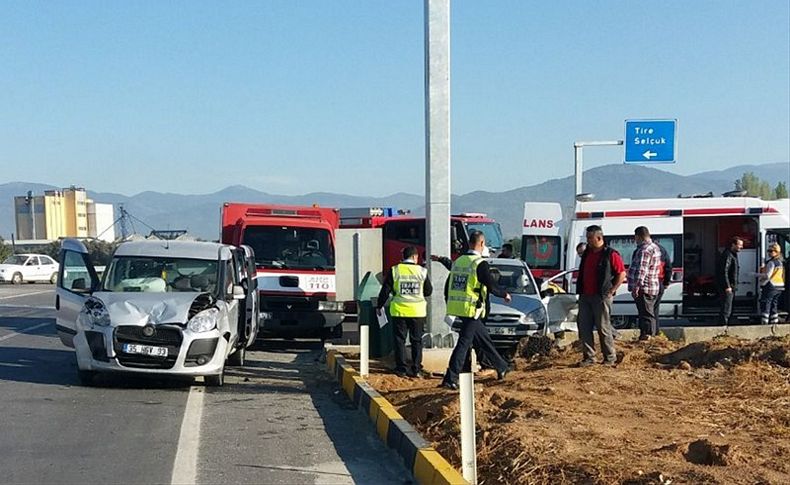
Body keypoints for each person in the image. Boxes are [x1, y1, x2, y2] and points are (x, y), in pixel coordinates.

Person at [440, 231, 511, 390]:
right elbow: (491, 286)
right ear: (481, 243)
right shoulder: (479, 264)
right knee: (464, 343)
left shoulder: (459, 261)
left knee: (483, 339)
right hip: (473, 309)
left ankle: (501, 366)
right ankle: (450, 377)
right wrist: (504, 294)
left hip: (459, 307)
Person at [376, 246, 433, 378]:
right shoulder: (422, 271)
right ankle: (416, 368)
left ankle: (401, 368)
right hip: (417, 312)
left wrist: (380, 305)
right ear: (415, 257)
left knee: (399, 340)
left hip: (399, 311)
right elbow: (428, 291)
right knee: (416, 340)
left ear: (403, 257)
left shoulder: (395, 270)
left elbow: (385, 290)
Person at [576, 225, 626, 366]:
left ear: (598, 237)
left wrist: (612, 290)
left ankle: (610, 357)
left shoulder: (611, 254)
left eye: (590, 238)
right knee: (584, 327)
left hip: (601, 296)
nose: (588, 241)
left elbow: (621, 273)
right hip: (585, 296)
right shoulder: (587, 254)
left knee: (603, 327)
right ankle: (589, 357)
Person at [627, 227, 662, 340]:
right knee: (648, 312)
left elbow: (642, 269)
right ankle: (648, 335)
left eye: (635, 237)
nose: (635, 240)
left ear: (639, 236)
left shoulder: (645, 250)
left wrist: (637, 286)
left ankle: (648, 336)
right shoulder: (655, 247)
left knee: (646, 314)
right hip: (653, 285)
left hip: (645, 287)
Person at [716, 236, 743, 325]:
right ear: (733, 245)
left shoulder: (732, 255)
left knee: (729, 307)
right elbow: (724, 271)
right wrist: (727, 286)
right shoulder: (728, 255)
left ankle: (726, 324)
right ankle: (723, 326)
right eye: (739, 245)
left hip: (731, 286)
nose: (741, 247)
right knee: (726, 308)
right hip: (728, 287)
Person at [758, 243, 785, 325]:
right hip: (780, 287)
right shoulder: (780, 262)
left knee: (766, 303)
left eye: (770, 251)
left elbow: (767, 275)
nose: (768, 253)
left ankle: (764, 323)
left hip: (771, 286)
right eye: (768, 251)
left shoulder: (771, 262)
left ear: (776, 252)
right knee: (774, 304)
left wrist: (754, 274)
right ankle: (774, 323)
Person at [653, 242, 673, 324]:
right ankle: (655, 331)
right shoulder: (662, 249)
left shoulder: (642, 249)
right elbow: (668, 267)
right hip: (659, 282)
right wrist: (666, 282)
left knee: (646, 311)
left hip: (648, 284)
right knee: (655, 309)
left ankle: (648, 332)